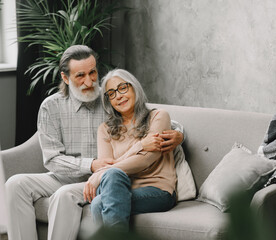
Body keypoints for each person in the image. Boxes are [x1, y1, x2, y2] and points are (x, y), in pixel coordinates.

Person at [5, 45, 184, 240]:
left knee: (65, 195)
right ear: (66, 78)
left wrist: (178, 133)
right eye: (80, 76)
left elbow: (144, 116)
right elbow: (52, 159)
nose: (89, 81)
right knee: (15, 184)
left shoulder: (109, 96)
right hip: (72, 174)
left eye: (92, 72)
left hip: (105, 176)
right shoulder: (51, 106)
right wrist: (90, 165)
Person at [83, 69, 177, 231]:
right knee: (102, 193)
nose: (118, 96)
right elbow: (109, 170)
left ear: (134, 88)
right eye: (111, 93)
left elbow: (146, 159)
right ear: (108, 101)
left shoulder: (158, 116)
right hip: (120, 188)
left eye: (122, 88)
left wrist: (102, 173)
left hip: (158, 190)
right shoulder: (105, 129)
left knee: (103, 194)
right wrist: (139, 146)